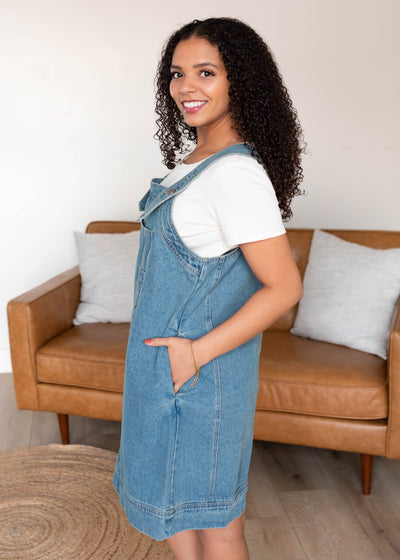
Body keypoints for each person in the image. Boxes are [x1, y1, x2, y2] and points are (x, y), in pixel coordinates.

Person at [113, 17, 304, 560]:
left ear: (238, 81)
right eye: (177, 73)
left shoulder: (235, 176)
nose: (186, 87)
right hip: (159, 372)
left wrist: (194, 354)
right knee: (170, 510)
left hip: (199, 380)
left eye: (205, 72)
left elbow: (284, 286)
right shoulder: (191, 167)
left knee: (218, 527)